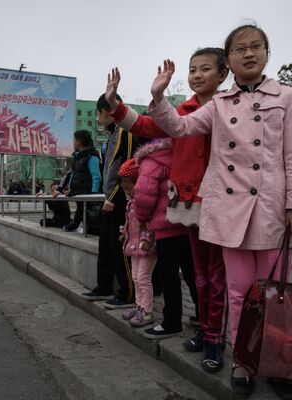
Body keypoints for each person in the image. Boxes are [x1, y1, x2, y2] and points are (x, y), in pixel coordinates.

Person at [144, 25, 292, 399]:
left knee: (275, 296)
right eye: (239, 49)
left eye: (255, 47)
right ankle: (244, 361)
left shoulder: (287, 96)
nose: (248, 54)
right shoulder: (218, 104)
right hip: (229, 211)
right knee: (238, 293)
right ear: (229, 60)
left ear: (267, 52)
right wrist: (159, 96)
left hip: (272, 211)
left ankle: (279, 365)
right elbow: (181, 127)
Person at [107, 48, 230, 372]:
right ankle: (206, 331)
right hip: (188, 206)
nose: (197, 74)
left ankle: (216, 338)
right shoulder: (183, 112)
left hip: (221, 203)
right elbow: (145, 125)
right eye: (192, 69)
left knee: (214, 277)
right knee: (200, 277)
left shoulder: (231, 108)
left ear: (222, 75)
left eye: (205, 68)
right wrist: (115, 102)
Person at [81, 93, 139, 309]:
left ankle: (127, 293)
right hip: (110, 200)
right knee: (105, 244)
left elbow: (129, 168)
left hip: (120, 200)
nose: (98, 119)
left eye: (99, 113)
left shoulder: (126, 131)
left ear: (106, 111)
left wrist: (114, 197)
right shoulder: (113, 135)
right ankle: (104, 286)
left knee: (119, 248)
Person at [117, 158, 158, 327]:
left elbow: (151, 223)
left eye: (129, 187)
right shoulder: (131, 203)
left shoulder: (144, 202)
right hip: (134, 246)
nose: (127, 191)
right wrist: (123, 233)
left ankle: (147, 311)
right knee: (135, 277)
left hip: (146, 247)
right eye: (124, 188)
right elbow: (130, 225)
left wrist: (147, 239)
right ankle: (139, 306)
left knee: (143, 278)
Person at [63, 130, 102, 234]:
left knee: (88, 214)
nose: (73, 142)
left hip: (88, 193)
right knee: (81, 209)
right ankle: (76, 224)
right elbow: (73, 174)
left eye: (74, 140)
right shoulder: (78, 157)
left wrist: (94, 194)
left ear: (79, 142)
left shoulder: (91, 156)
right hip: (79, 192)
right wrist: (70, 188)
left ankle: (88, 228)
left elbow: (96, 176)